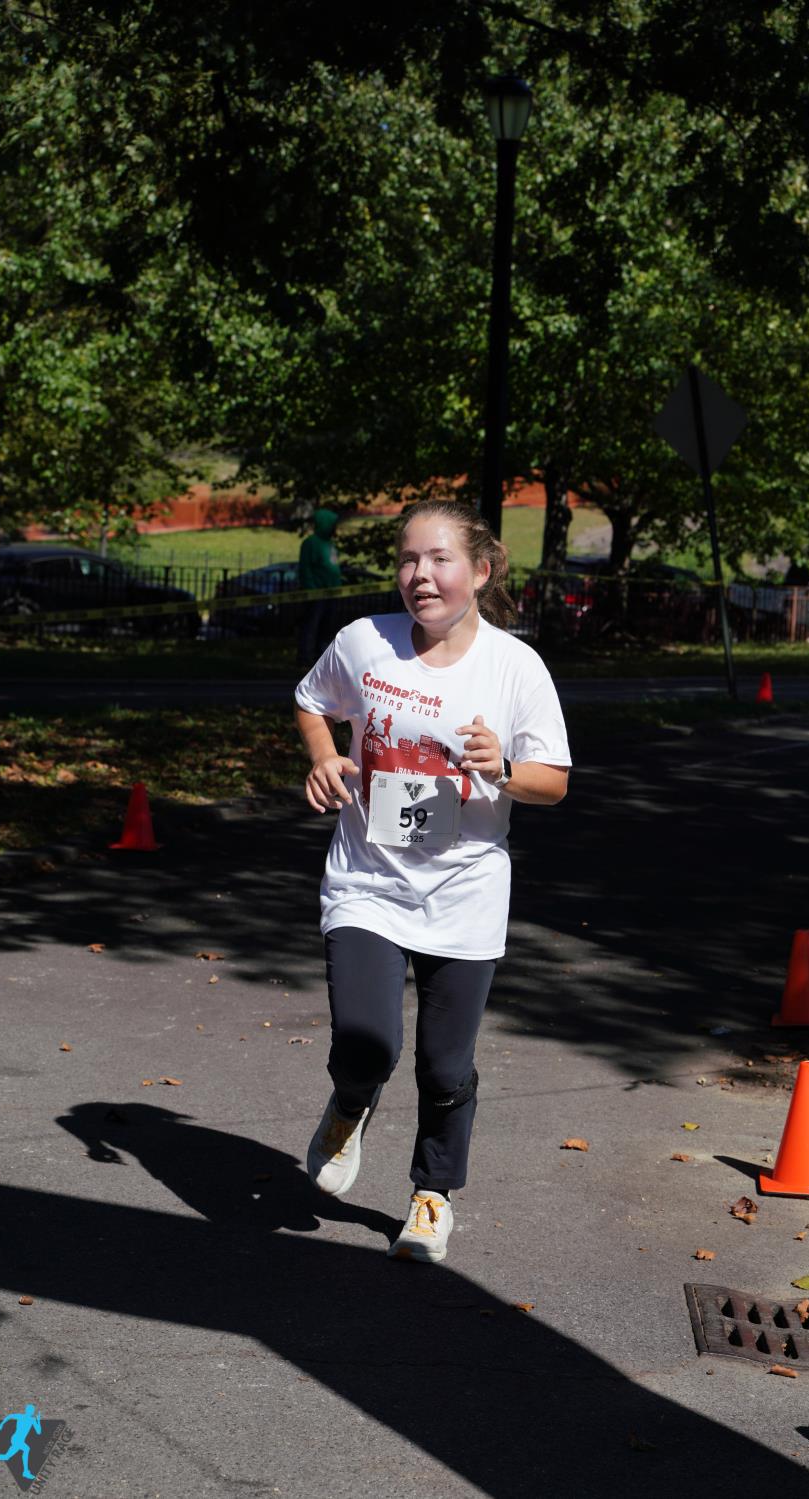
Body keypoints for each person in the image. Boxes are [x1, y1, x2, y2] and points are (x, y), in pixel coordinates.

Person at [294, 499, 571, 1263]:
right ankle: (351, 1102)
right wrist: (323, 756)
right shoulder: (365, 642)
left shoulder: (514, 667)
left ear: (480, 570)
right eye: (409, 559)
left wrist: (503, 768)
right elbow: (311, 701)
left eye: (439, 559)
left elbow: (553, 781)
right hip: (367, 881)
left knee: (445, 1066)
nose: (420, 574)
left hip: (464, 892)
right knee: (366, 1040)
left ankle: (432, 1194)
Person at [297, 506, 344, 669]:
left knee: (328, 627)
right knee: (311, 626)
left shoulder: (330, 544)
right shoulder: (310, 543)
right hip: (316, 594)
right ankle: (305, 658)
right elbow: (305, 568)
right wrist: (311, 589)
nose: (335, 528)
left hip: (332, 594)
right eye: (332, 524)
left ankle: (322, 659)